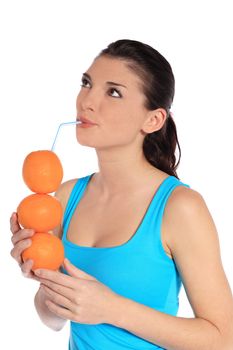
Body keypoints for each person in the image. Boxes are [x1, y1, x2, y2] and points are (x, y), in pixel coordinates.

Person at [10, 39, 233, 350]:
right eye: (86, 83)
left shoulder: (179, 207)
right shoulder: (65, 196)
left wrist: (112, 309)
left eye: (113, 92)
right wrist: (46, 282)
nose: (86, 101)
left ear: (153, 120)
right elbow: (53, 320)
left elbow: (223, 339)